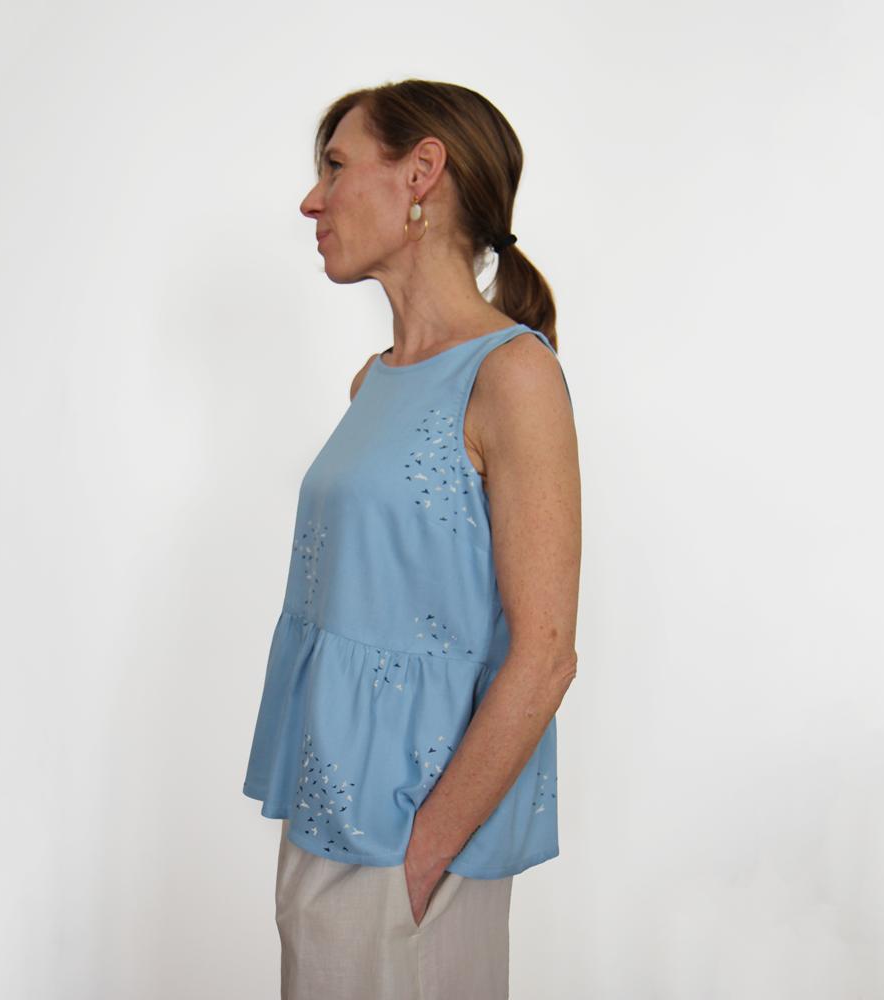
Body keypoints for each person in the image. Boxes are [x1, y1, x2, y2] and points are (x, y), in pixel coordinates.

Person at [243, 78, 581, 1000]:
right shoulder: (374, 380)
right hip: (328, 826)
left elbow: (546, 655)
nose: (312, 200)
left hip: (414, 847)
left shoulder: (513, 376)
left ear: (421, 172)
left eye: (336, 167)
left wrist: (425, 855)